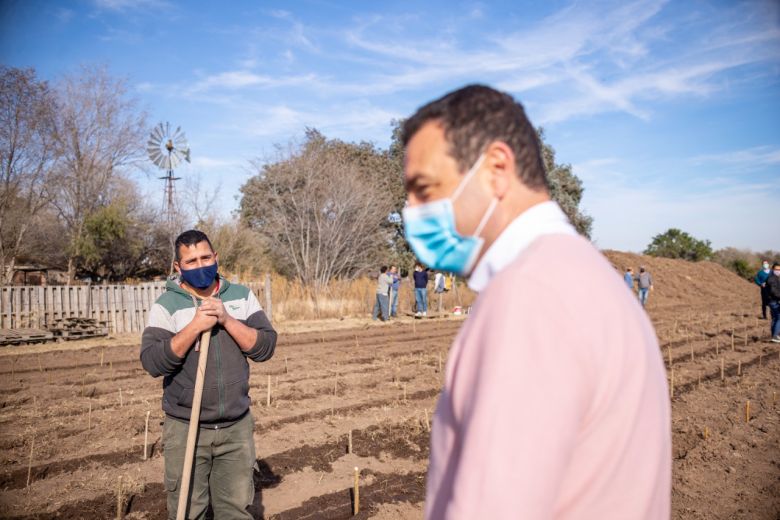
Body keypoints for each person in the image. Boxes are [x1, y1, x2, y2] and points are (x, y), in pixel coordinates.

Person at [401, 85, 670, 519]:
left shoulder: (530, 295)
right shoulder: (589, 276)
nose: (411, 210)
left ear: (496, 168)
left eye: (426, 189)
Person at [140, 229, 277, 519]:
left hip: (235, 428)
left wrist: (226, 319)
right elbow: (153, 363)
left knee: (236, 511)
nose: (200, 265)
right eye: (191, 261)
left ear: (216, 257)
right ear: (178, 267)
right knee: (188, 512)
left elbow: (265, 347)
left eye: (205, 257)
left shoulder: (240, 297)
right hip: (186, 427)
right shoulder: (167, 305)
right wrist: (193, 327)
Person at [766, 262, 780, 343]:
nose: (778, 271)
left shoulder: (775, 278)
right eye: (776, 269)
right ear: (773, 269)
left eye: (779, 269)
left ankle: (773, 336)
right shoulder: (772, 279)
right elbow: (774, 291)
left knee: (775, 318)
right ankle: (775, 336)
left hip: (773, 300)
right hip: (774, 301)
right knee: (779, 317)